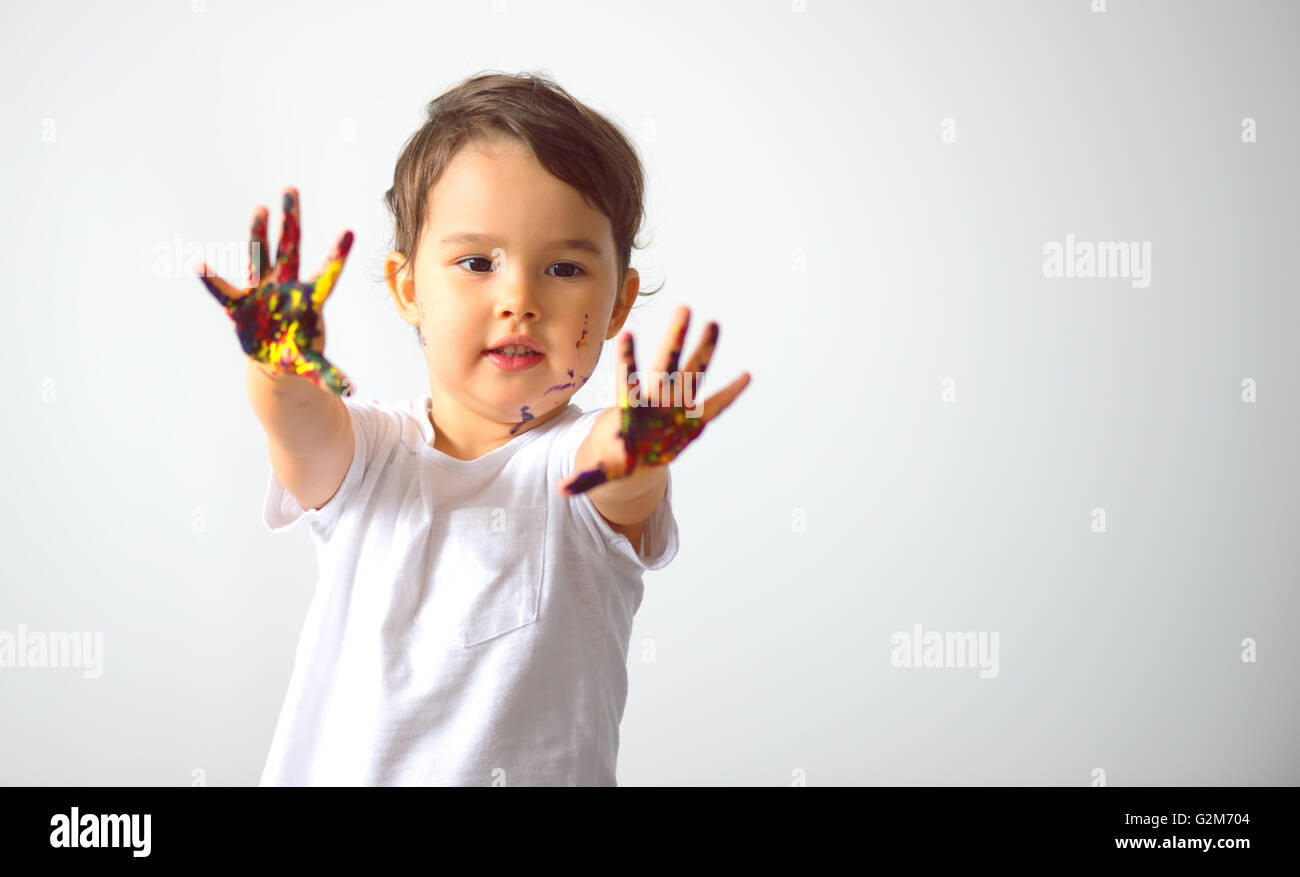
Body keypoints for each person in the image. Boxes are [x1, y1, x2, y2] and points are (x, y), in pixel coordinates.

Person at [196, 70, 750, 786]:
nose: (518, 297)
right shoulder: (369, 457)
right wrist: (278, 365)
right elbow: (300, 425)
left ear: (618, 304)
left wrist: (642, 447)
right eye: (477, 262)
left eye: (562, 267)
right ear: (408, 289)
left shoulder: (578, 468)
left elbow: (622, 472)